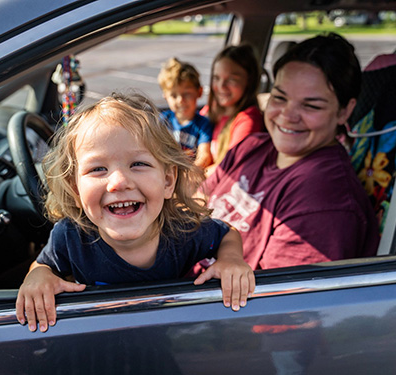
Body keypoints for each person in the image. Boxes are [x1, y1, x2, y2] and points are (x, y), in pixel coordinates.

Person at [16, 92, 255, 332]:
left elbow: (226, 234)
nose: (119, 182)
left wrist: (231, 259)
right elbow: (44, 265)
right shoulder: (70, 237)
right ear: (75, 189)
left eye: (138, 164)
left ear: (168, 181)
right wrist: (37, 278)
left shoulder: (182, 230)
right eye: (98, 169)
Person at [200, 33, 380, 271]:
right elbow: (196, 200)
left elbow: (277, 300)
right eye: (279, 97)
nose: (287, 115)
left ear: (345, 111)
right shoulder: (251, 146)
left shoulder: (325, 202)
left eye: (311, 105)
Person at [201, 44, 266, 174]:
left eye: (231, 80)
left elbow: (228, 170)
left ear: (249, 81)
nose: (221, 86)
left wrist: (188, 176)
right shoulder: (211, 110)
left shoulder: (249, 120)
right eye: (216, 78)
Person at [158, 57, 213, 168]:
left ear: (199, 92)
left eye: (187, 94)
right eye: (174, 95)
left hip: (189, 174)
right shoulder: (162, 121)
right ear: (165, 96)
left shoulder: (203, 125)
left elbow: (204, 156)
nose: (180, 100)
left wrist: (190, 173)